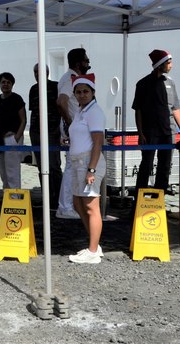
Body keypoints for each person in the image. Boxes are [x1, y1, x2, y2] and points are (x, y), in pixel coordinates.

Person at [132, 49, 180, 197]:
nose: (171, 65)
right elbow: (138, 110)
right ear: (159, 65)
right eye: (168, 63)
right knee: (146, 166)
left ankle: (158, 202)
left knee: (164, 167)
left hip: (169, 132)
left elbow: (175, 108)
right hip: (150, 132)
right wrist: (141, 133)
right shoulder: (143, 84)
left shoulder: (171, 83)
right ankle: (139, 202)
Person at [66, 74, 107, 264]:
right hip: (77, 162)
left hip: (88, 162)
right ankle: (94, 245)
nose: (82, 95)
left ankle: (92, 251)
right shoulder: (80, 112)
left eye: (86, 91)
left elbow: (98, 141)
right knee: (77, 203)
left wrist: (91, 169)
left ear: (92, 93)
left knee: (91, 206)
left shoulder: (94, 112)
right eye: (79, 92)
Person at [55, 48, 91, 219]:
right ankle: (65, 207)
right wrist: (71, 124)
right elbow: (61, 102)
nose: (88, 62)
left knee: (76, 167)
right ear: (78, 63)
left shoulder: (73, 78)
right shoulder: (70, 79)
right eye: (85, 60)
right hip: (73, 130)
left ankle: (69, 205)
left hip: (77, 128)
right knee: (71, 168)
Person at [29, 64, 63, 202]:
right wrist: (32, 130)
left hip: (52, 131)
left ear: (48, 73)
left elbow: (60, 108)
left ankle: (58, 197)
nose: (38, 74)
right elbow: (33, 111)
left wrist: (58, 129)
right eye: (35, 72)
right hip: (36, 131)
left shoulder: (56, 86)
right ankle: (47, 196)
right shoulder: (33, 89)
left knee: (54, 165)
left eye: (41, 72)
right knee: (42, 166)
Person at [0, 72, 27, 189]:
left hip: (12, 138)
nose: (5, 84)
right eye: (3, 82)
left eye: (8, 82)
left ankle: (15, 196)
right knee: (2, 170)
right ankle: (6, 195)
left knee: (12, 171)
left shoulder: (17, 99)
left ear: (12, 84)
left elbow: (23, 120)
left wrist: (16, 137)